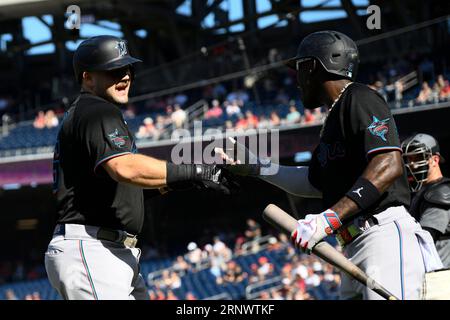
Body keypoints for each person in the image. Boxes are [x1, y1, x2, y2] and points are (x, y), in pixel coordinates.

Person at [220, 30, 442, 299]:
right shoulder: (332, 122)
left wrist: (329, 218)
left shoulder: (359, 97)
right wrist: (256, 167)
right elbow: (313, 183)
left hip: (383, 236)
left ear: (313, 66)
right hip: (353, 246)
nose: (297, 80)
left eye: (299, 68)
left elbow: (388, 163)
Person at [45, 35, 233, 300]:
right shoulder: (95, 111)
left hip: (106, 249)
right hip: (93, 249)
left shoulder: (88, 114)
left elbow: (123, 190)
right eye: (113, 70)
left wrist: (186, 179)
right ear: (87, 77)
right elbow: (126, 169)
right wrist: (198, 170)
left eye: (128, 68)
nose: (124, 76)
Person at [402, 133, 450, 267]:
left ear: (435, 160)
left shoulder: (441, 193)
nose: (411, 164)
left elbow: (424, 240)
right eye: (408, 159)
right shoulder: (419, 193)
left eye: (417, 158)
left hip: (442, 276)